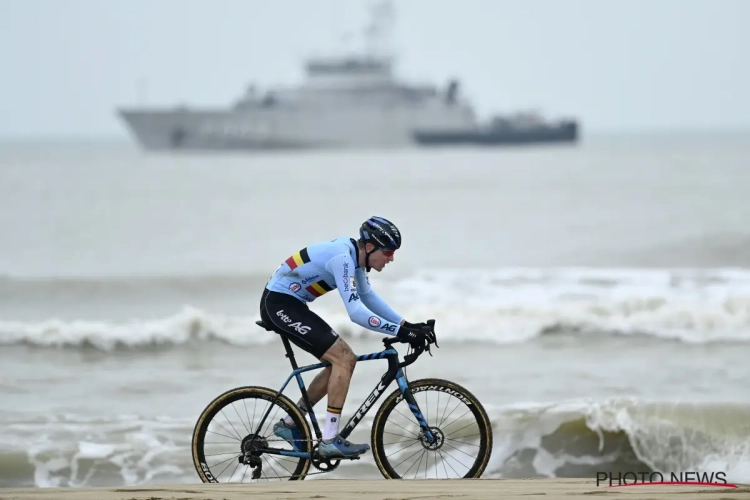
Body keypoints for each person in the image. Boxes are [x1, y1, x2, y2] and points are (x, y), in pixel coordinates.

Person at [259, 216, 436, 460]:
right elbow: (356, 313)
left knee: (340, 361)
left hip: (293, 304)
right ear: (371, 247)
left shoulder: (355, 257)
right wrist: (401, 333)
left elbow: (368, 297)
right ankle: (329, 440)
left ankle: (291, 422)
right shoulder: (342, 258)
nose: (391, 258)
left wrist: (407, 325)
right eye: (388, 252)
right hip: (279, 304)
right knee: (344, 358)